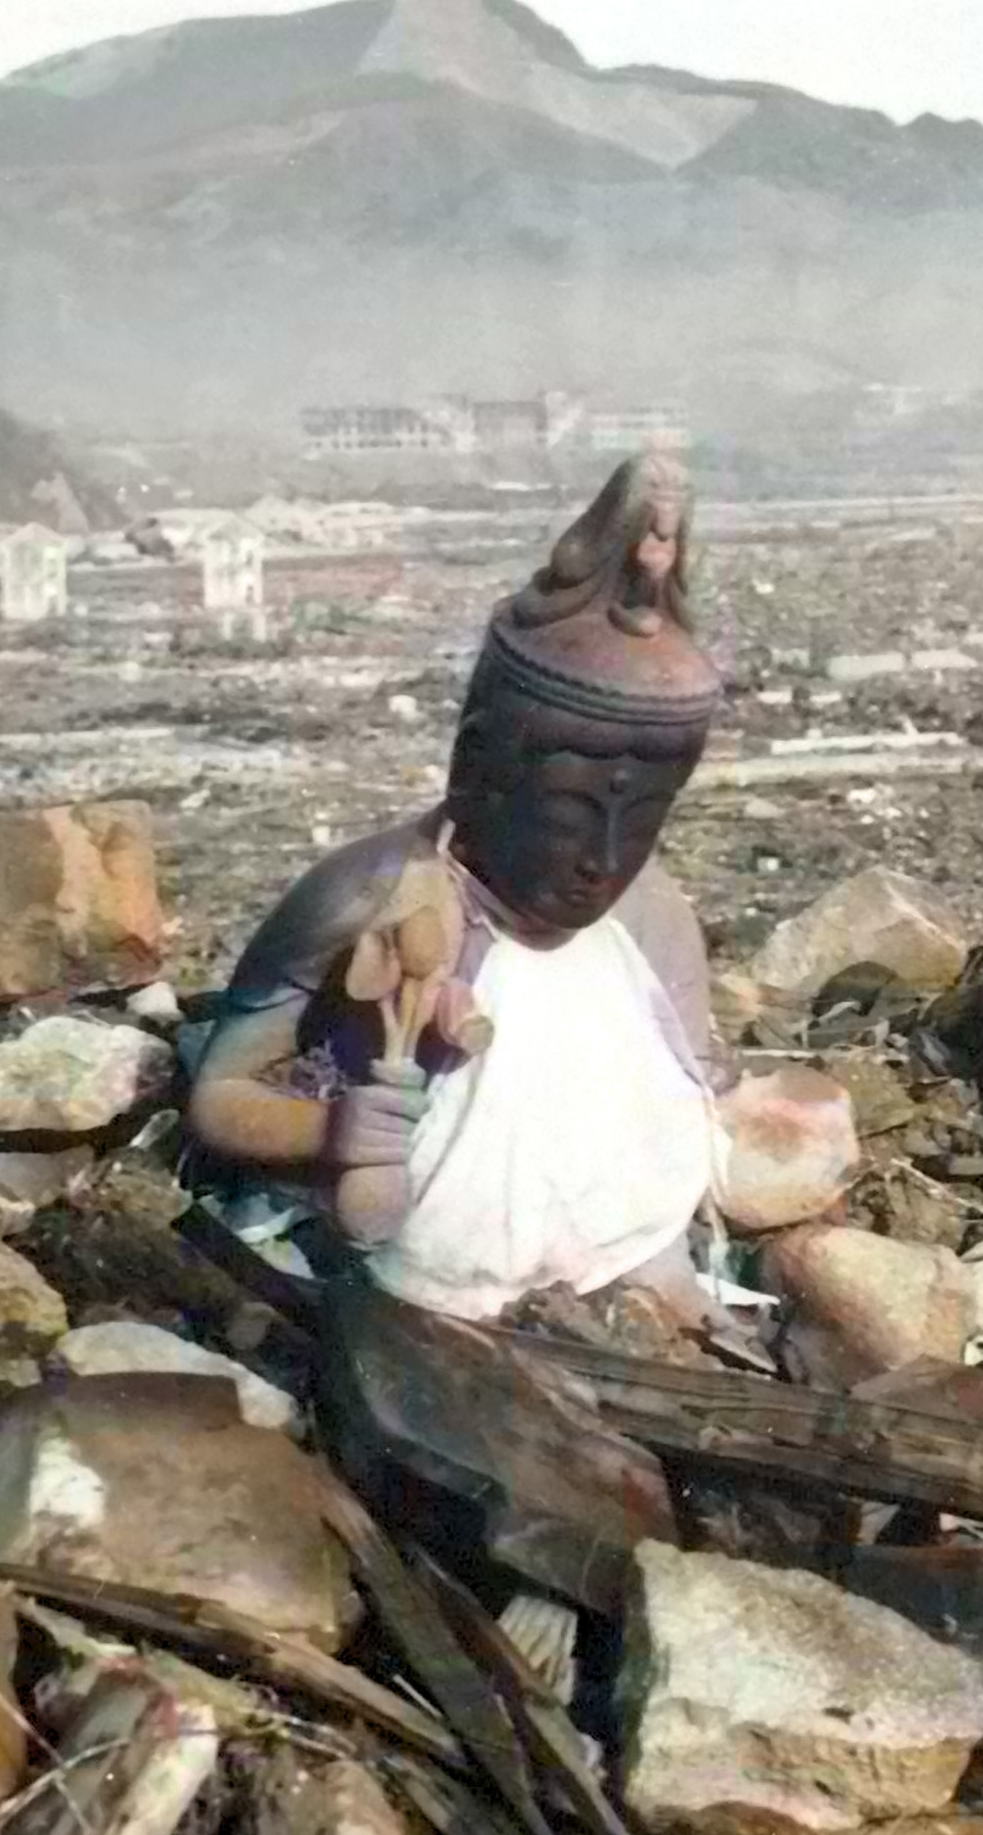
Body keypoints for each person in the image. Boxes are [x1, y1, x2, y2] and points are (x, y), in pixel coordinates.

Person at [184, 454, 730, 1321]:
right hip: (414, 1265)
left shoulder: (649, 915)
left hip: (621, 1247)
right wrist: (331, 1128)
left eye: (641, 821)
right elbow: (218, 1095)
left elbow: (685, 1092)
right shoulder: (373, 893)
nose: (603, 859)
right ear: (477, 762)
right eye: (567, 815)